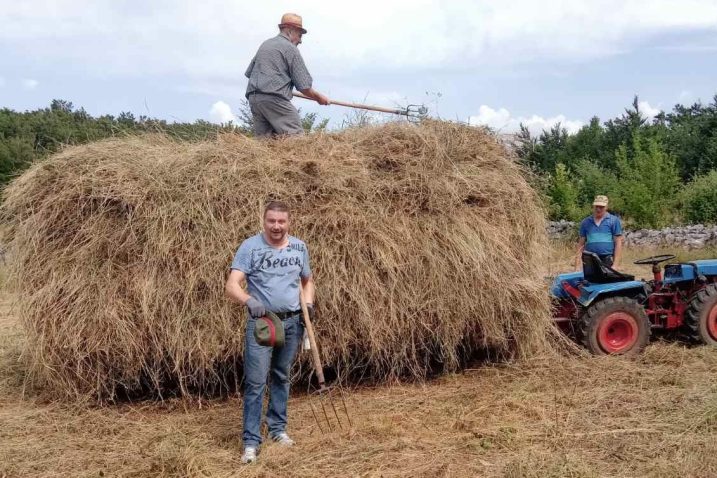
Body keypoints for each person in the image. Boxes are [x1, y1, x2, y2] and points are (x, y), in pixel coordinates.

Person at [225, 200, 315, 464]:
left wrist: (308, 303)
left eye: (281, 221)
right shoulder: (250, 247)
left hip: (293, 322)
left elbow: (307, 281)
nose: (276, 226)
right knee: (255, 382)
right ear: (264, 221)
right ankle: (251, 442)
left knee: (281, 376)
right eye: (271, 221)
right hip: (264, 322)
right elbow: (232, 284)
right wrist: (248, 300)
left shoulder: (300, 247)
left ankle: (277, 429)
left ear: (289, 222)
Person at [244, 13, 331, 137]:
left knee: (265, 145)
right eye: (300, 35)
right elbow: (304, 86)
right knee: (296, 138)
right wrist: (319, 98)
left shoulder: (265, 44)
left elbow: (250, 73)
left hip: (254, 98)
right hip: (274, 99)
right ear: (290, 31)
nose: (300, 41)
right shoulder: (290, 48)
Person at [575, 195, 624, 271]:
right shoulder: (585, 222)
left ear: (606, 207)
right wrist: (577, 266)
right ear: (593, 206)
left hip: (607, 259)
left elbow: (618, 243)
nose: (598, 209)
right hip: (590, 259)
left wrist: (615, 265)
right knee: (590, 281)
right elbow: (581, 245)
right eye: (596, 206)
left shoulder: (614, 221)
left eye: (601, 207)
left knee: (607, 282)